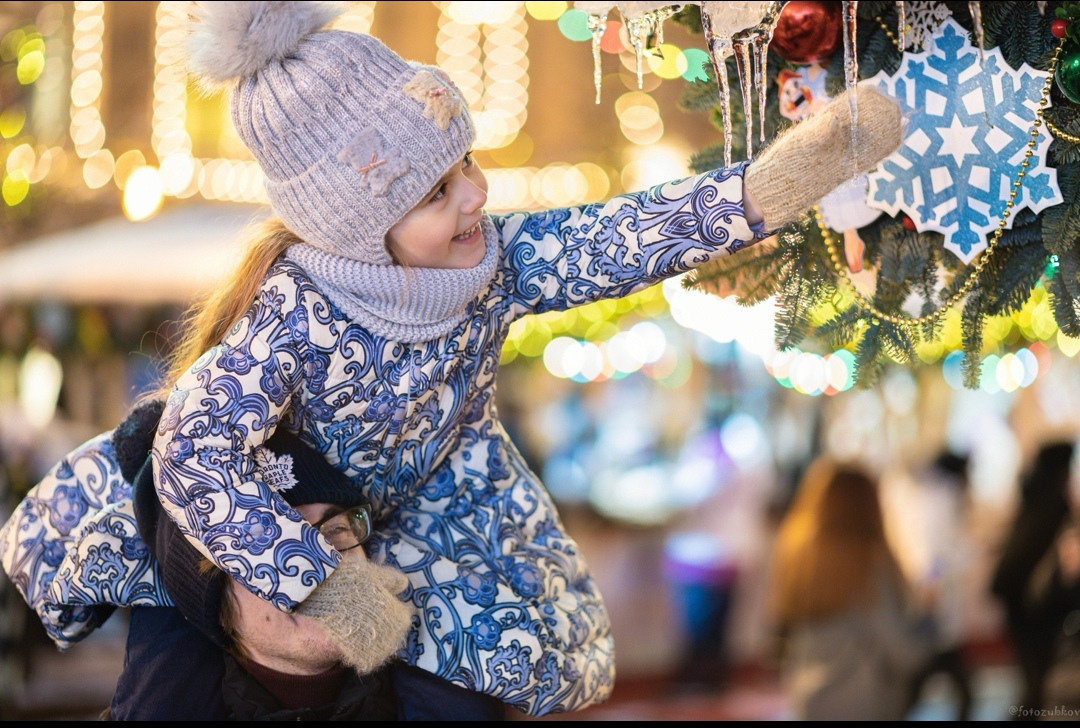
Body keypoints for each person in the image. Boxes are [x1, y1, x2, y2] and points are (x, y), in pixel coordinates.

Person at [0, 0, 903, 717]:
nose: (476, 193)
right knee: (173, 681)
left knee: (470, 670)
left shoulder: (491, 264)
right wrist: (327, 588)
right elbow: (193, 454)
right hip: (269, 520)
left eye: (464, 161)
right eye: (437, 190)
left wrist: (773, 185)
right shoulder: (295, 312)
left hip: (433, 499)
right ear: (362, 224)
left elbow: (615, 238)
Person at [110, 409, 410, 720]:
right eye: (272, 542)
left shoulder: (433, 698)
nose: (322, 558)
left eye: (336, 528)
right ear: (217, 609)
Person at [767, 456, 935, 720]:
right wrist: (929, 621)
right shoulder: (869, 563)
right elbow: (900, 650)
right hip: (864, 700)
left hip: (808, 698)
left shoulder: (797, 555)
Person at [990, 439, 1077, 718]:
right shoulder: (1053, 507)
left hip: (1020, 603)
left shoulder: (1034, 499)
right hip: (1034, 608)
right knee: (1037, 683)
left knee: (1034, 680)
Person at [901, 450, 976, 720]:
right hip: (936, 605)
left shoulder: (939, 498)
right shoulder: (941, 499)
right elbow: (933, 553)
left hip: (939, 604)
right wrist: (932, 588)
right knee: (931, 673)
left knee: (930, 676)